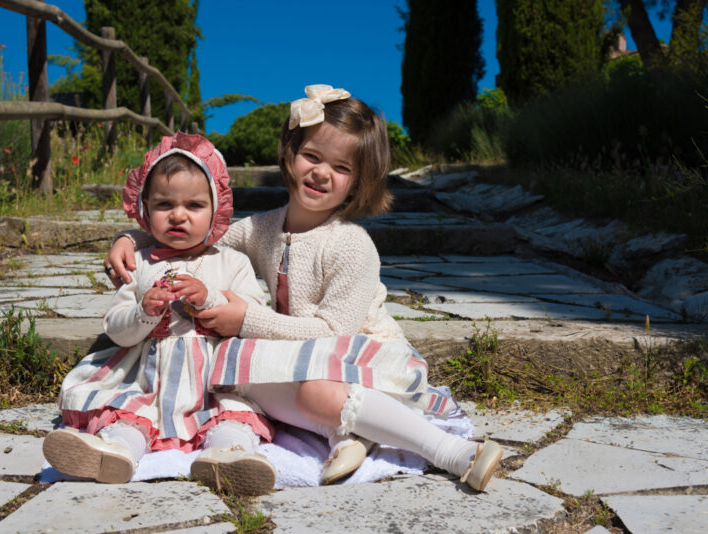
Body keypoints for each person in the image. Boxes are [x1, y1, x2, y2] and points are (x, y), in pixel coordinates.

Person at [106, 84, 503, 491]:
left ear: (358, 182)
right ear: (290, 154)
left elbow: (336, 333)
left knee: (314, 392)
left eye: (342, 167)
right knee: (234, 375)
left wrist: (247, 318)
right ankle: (349, 435)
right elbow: (192, 240)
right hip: (298, 357)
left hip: (359, 356)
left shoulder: (351, 244)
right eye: (311, 156)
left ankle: (453, 451)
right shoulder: (262, 228)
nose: (321, 172)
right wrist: (131, 239)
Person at [43, 132, 279, 496]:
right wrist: (143, 312)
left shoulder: (232, 262)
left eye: (195, 206)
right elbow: (116, 328)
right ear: (144, 209)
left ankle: (228, 455)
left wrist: (209, 297)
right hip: (148, 377)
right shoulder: (138, 263)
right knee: (131, 413)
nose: (178, 215)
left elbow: (252, 315)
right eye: (164, 204)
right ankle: (117, 451)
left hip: (212, 380)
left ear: (217, 210)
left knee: (231, 415)